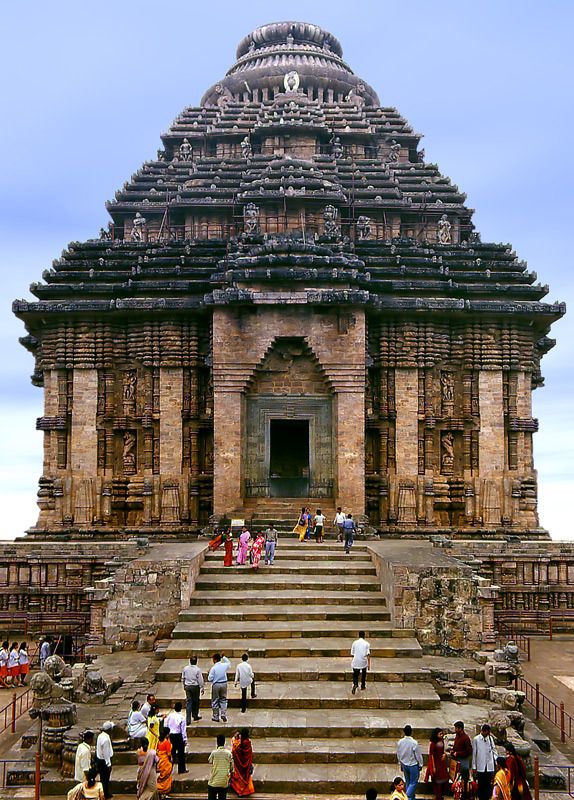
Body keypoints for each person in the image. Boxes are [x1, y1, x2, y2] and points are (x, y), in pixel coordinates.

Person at [396, 724, 423, 800]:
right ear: (411, 732)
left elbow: (398, 753)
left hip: (404, 763)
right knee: (413, 782)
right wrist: (420, 764)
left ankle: (411, 797)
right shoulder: (414, 743)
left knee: (408, 782)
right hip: (413, 764)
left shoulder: (400, 742)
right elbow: (418, 755)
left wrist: (400, 763)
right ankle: (407, 797)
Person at [472, 723, 497, 800]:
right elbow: (474, 753)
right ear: (484, 731)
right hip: (480, 765)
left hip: (489, 765)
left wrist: (496, 760)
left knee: (488, 783)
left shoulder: (490, 739)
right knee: (481, 783)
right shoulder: (476, 739)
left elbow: (494, 750)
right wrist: (474, 766)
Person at [164, 701, 188, 774]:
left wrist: (167, 735)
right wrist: (185, 739)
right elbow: (183, 730)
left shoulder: (170, 716)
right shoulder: (182, 717)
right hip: (178, 735)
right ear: (181, 708)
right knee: (181, 753)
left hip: (171, 735)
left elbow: (166, 725)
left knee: (171, 752)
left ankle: (169, 768)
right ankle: (181, 769)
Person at [208, 733, 234, 800]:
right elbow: (232, 768)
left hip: (213, 781)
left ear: (217, 742)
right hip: (224, 781)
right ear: (224, 742)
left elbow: (210, 761)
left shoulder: (214, 753)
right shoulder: (228, 753)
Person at [425, 728, 448, 800]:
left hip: (442, 764)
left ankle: (441, 795)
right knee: (437, 782)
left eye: (442, 734)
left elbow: (443, 751)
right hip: (436, 763)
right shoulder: (432, 744)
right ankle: (438, 796)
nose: (441, 735)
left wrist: (445, 754)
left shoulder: (441, 741)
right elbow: (431, 755)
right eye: (440, 734)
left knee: (444, 780)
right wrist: (433, 767)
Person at [230, 728, 255, 796]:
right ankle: (246, 791)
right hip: (247, 764)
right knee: (246, 776)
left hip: (240, 764)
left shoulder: (242, 743)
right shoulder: (247, 742)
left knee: (240, 776)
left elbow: (235, 750)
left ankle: (240, 791)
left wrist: (234, 739)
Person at [451, 720, 472, 795]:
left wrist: (458, 753)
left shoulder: (466, 738)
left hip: (463, 761)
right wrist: (453, 751)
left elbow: (469, 751)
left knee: (464, 779)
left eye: (456, 728)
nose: (455, 730)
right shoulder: (457, 736)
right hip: (457, 761)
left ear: (461, 729)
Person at [208, 652, 231, 723]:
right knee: (223, 699)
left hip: (216, 684)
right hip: (224, 683)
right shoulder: (224, 665)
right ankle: (223, 713)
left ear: (214, 660)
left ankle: (216, 716)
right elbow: (229, 663)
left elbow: (210, 678)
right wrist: (224, 657)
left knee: (215, 700)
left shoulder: (213, 668)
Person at [182, 655, 204, 724]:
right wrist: (202, 687)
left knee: (189, 702)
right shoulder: (197, 669)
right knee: (196, 701)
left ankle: (188, 719)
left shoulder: (185, 668)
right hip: (195, 686)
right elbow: (200, 679)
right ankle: (195, 715)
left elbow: (183, 677)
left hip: (188, 686)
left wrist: (184, 685)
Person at [95, 722, 114, 800]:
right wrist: (108, 764)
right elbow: (106, 753)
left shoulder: (101, 736)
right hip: (104, 761)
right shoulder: (106, 739)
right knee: (105, 778)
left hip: (100, 759)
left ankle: (104, 792)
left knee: (103, 778)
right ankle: (105, 793)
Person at [156, 727, 173, 799]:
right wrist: (171, 759)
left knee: (161, 776)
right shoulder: (167, 742)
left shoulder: (159, 741)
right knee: (166, 776)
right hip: (165, 761)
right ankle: (164, 792)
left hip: (160, 760)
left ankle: (159, 791)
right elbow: (168, 754)